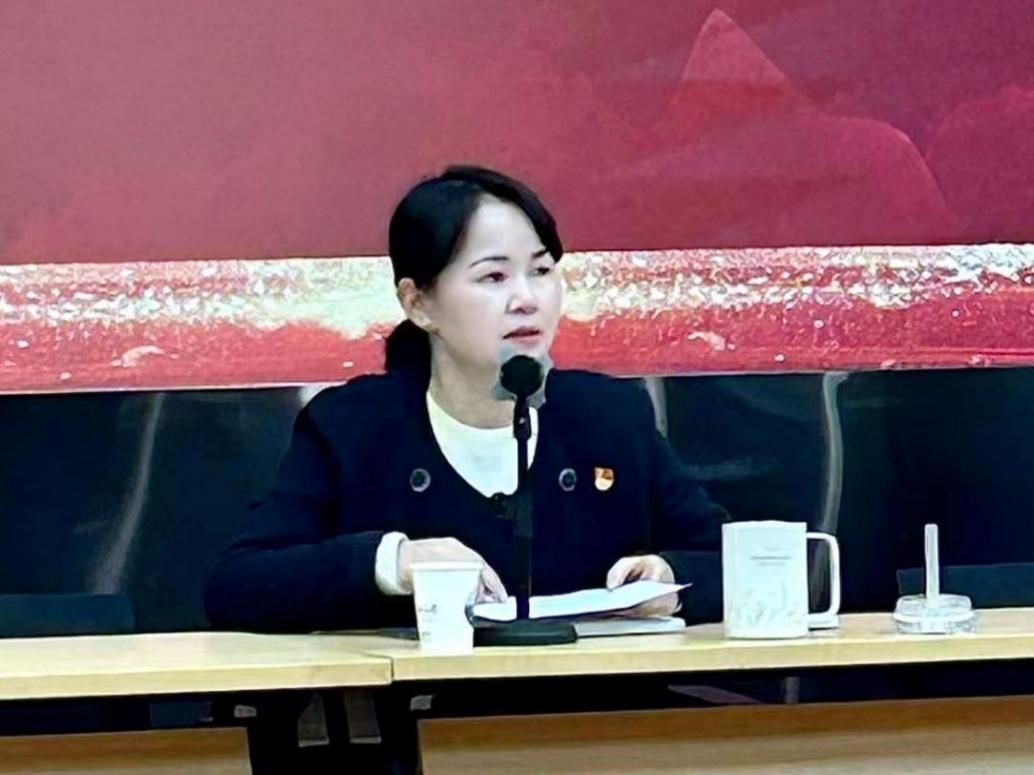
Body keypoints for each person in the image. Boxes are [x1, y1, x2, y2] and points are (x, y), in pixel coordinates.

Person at [204, 165, 727, 633]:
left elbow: (733, 559)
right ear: (419, 304)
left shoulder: (609, 415)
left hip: (603, 705)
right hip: (423, 706)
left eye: (542, 271)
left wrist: (671, 577)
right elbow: (239, 584)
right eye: (493, 277)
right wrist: (394, 563)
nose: (527, 299)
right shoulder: (352, 427)